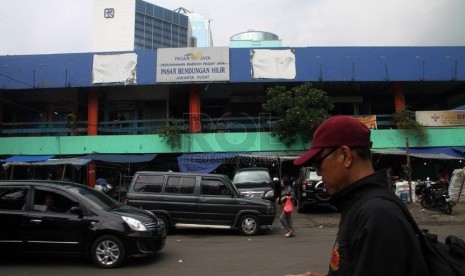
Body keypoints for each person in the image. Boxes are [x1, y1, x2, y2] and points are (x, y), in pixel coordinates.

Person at [287, 115, 428, 276]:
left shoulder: (376, 214)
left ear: (345, 156)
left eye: (319, 164)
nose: (318, 172)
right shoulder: (359, 207)